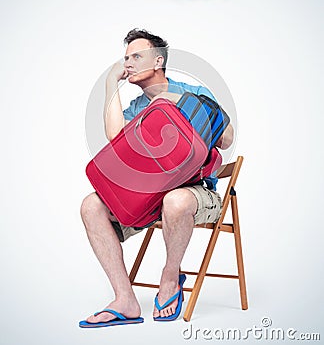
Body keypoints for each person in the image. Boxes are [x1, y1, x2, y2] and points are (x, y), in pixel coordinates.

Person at [80, 29, 234, 326]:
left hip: (196, 191)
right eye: (125, 58)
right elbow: (114, 137)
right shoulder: (137, 109)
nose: (128, 64)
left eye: (136, 56)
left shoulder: (193, 92)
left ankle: (170, 277)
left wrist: (176, 103)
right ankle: (125, 299)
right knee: (91, 205)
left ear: (158, 61)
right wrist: (111, 82)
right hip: (149, 197)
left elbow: (225, 138)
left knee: (175, 200)